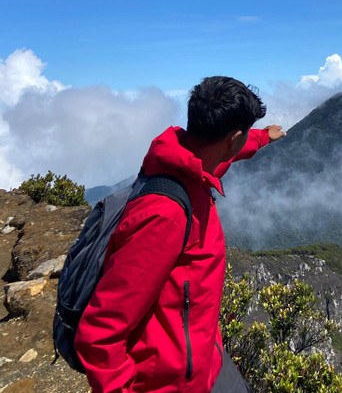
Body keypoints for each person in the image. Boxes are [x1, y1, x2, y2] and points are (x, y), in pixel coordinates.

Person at [75, 75, 286, 393]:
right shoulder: (165, 215)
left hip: (205, 360)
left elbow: (224, 156)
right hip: (169, 381)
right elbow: (100, 332)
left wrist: (261, 138)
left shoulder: (186, 163)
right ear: (232, 137)